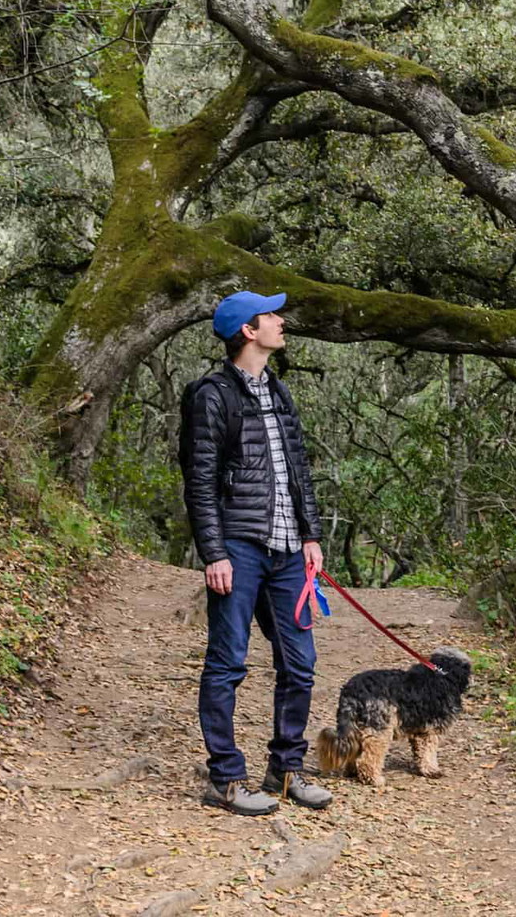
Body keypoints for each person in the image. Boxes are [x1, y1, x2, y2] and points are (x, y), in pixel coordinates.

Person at [178, 290, 333, 814]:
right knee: (227, 663)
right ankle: (225, 779)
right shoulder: (211, 395)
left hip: (290, 552)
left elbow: (298, 473)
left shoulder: (280, 393)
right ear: (249, 330)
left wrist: (310, 536)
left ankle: (286, 770)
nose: (281, 321)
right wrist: (213, 552)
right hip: (239, 549)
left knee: (301, 663)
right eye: (271, 316)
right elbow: (198, 481)